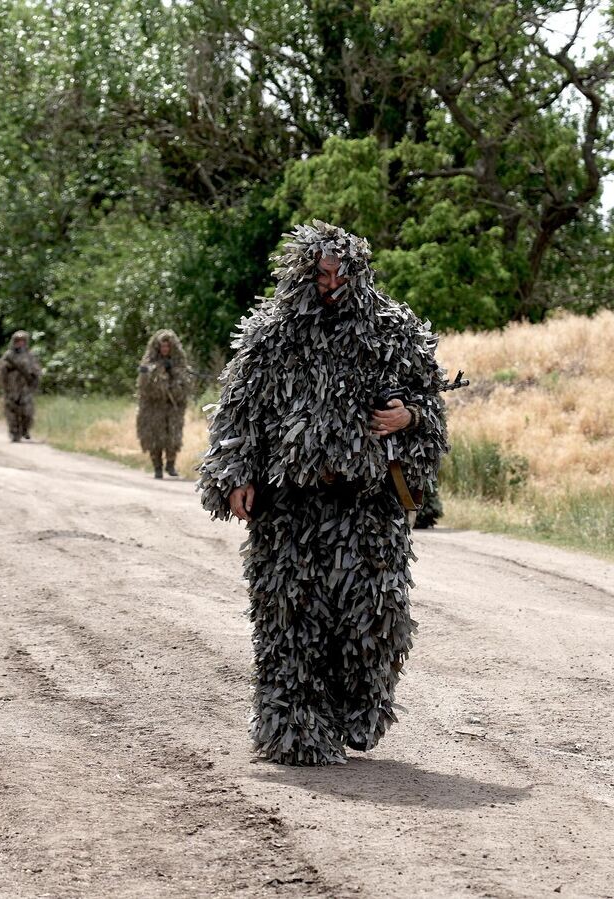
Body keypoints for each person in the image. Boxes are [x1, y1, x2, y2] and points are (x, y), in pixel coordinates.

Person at [197, 221, 449, 766]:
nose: (329, 283)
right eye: (319, 273)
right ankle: (298, 733)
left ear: (356, 272)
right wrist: (237, 473)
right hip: (290, 506)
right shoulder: (270, 333)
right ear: (302, 273)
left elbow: (432, 409)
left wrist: (410, 415)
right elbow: (238, 412)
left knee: (375, 622)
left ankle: (360, 713)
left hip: (369, 506)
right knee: (289, 623)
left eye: (338, 273)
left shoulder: (395, 332)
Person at [136, 328, 192, 478]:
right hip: (154, 407)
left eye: (168, 346)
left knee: (173, 437)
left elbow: (184, 384)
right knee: (155, 437)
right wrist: (158, 372)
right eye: (162, 346)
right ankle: (157, 468)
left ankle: (171, 465)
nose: (165, 349)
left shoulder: (178, 363)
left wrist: (173, 372)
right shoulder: (149, 363)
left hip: (173, 407)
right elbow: (145, 385)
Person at [0, 330, 41, 442]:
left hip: (25, 390)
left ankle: (25, 429)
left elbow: (37, 370)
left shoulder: (30, 356)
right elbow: (0, 372)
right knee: (12, 413)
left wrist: (33, 379)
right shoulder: (8, 356)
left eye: (22, 341)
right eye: (18, 341)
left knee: (28, 413)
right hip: (11, 389)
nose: (20, 343)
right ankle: (14, 433)